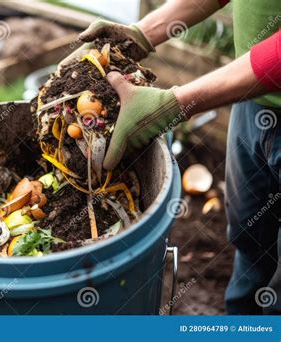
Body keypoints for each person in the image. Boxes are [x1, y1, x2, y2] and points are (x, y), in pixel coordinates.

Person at [61, 0, 280, 314]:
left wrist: (176, 104)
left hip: (257, 86)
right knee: (249, 237)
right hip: (252, 101)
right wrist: (141, 34)